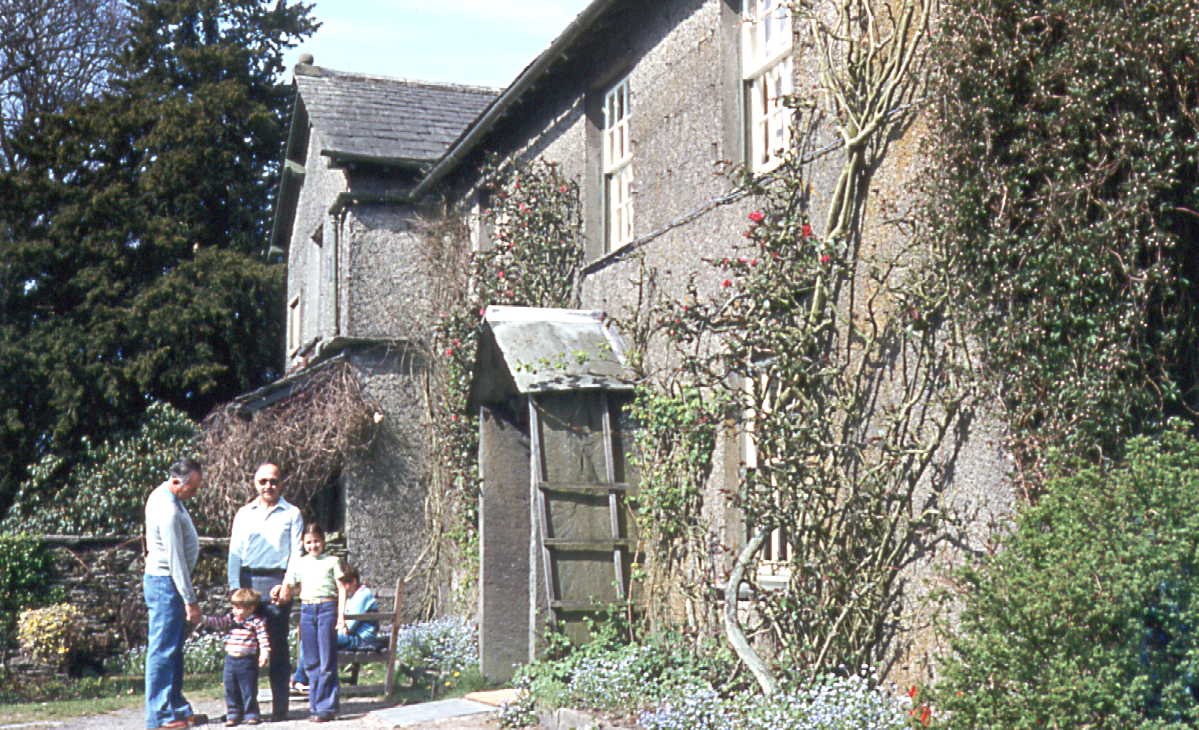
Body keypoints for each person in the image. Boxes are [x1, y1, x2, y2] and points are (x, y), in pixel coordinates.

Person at [226, 463, 304, 722]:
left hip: (276, 584)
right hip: (248, 583)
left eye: (274, 481)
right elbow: (234, 553)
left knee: (277, 647)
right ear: (255, 483)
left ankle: (280, 710)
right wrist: (234, 588)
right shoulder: (243, 514)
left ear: (281, 483)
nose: (268, 486)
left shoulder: (292, 513)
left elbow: (296, 552)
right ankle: (245, 710)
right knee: (243, 648)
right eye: (263, 481)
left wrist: (288, 584)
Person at [143, 457, 208, 730]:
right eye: (192, 487)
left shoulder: (169, 497)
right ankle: (160, 716)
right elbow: (175, 560)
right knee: (163, 649)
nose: (195, 493)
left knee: (173, 649)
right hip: (165, 583)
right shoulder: (167, 509)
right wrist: (190, 600)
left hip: (169, 583)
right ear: (176, 481)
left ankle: (176, 707)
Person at [279, 524, 346, 723]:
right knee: (311, 661)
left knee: (326, 660)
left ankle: (327, 707)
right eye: (308, 542)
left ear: (323, 542)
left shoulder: (332, 561)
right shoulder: (299, 563)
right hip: (307, 610)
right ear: (303, 544)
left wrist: (341, 616)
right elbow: (290, 588)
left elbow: (342, 588)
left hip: (327, 609)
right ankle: (315, 706)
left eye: (316, 541)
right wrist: (280, 591)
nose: (313, 545)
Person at [291, 564, 380, 693]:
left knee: (314, 640)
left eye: (344, 584)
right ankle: (304, 680)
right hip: (349, 636)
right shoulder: (352, 596)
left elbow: (350, 625)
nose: (341, 589)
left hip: (361, 639)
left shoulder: (363, 595)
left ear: (354, 581)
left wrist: (330, 630)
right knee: (309, 639)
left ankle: (300, 680)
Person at [200, 588, 271, 727]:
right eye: (234, 607)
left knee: (248, 689)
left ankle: (251, 713)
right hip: (231, 660)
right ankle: (233, 713)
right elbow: (217, 622)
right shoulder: (231, 619)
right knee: (230, 688)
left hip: (247, 660)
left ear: (251, 608)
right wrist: (203, 619)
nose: (235, 611)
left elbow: (263, 639)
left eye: (239, 608)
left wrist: (264, 654)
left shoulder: (256, 622)